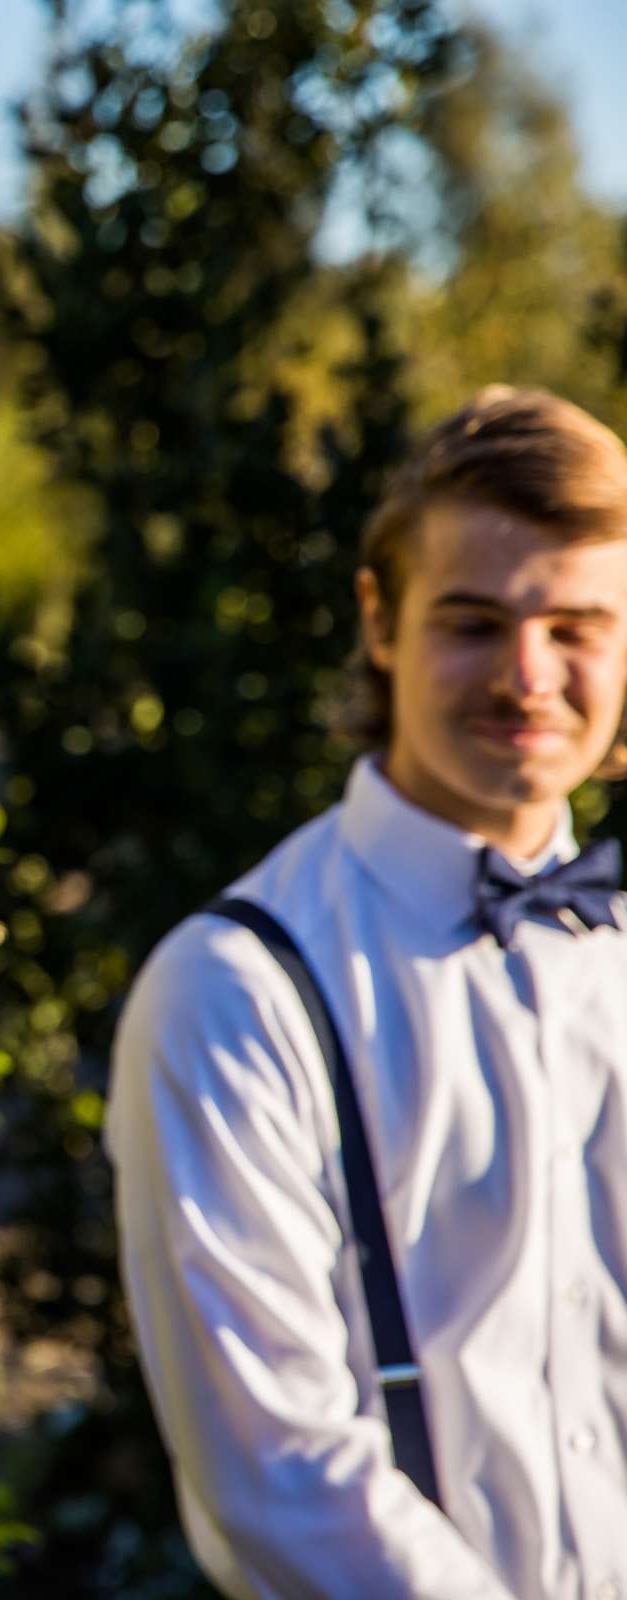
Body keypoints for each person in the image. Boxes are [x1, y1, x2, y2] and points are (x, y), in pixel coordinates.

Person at [108, 386, 627, 1600]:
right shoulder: (233, 992)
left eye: (578, 625)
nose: (529, 674)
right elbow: (279, 1476)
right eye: (474, 621)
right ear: (379, 620)